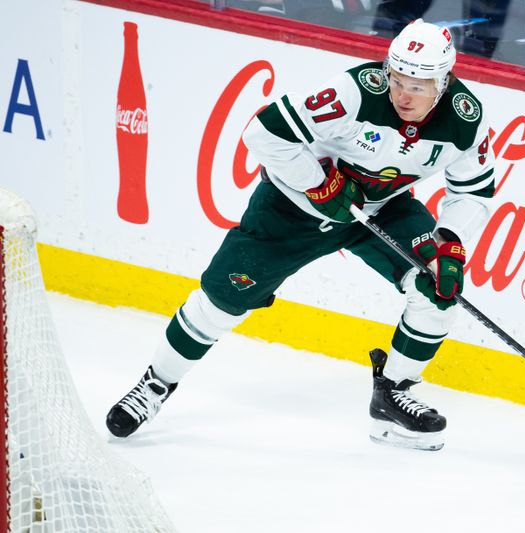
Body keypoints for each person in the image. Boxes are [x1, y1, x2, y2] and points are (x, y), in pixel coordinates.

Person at [105, 19, 496, 451]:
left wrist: (451, 243)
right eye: (397, 78)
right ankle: (156, 384)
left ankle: (391, 397)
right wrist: (317, 182)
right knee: (223, 298)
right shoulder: (354, 91)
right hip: (292, 208)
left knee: (437, 288)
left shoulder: (466, 120)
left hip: (382, 209)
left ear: (443, 83)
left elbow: (472, 191)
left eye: (418, 86)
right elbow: (264, 133)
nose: (403, 94)